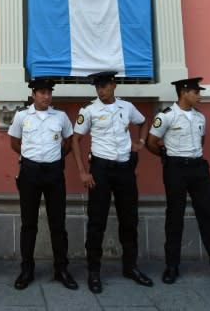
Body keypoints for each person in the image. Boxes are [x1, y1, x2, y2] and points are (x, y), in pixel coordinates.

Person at [146, 77, 210, 287]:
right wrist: (166, 155)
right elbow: (151, 142)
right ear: (183, 93)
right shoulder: (167, 116)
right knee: (174, 218)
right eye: (196, 92)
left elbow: (201, 141)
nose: (199, 95)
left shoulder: (200, 117)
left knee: (209, 216)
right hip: (176, 169)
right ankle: (172, 266)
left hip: (198, 168)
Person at [71, 71, 153, 293]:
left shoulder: (126, 107)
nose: (101, 90)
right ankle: (94, 272)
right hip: (101, 171)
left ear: (114, 85)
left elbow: (144, 122)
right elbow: (76, 140)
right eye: (98, 86)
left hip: (125, 169)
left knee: (130, 220)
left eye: (105, 85)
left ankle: (130, 266)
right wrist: (82, 171)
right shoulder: (89, 110)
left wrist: (141, 142)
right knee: (97, 222)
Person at [8, 77, 77, 290]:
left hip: (54, 173)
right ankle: (26, 270)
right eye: (42, 92)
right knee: (29, 224)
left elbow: (68, 142)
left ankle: (61, 269)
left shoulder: (61, 116)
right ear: (33, 95)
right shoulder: (21, 116)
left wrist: (53, 158)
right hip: (30, 173)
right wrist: (31, 159)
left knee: (58, 224)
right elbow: (14, 142)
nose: (46, 96)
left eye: (49, 92)